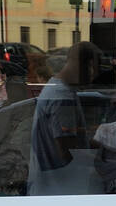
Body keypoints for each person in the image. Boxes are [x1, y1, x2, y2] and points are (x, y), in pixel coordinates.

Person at [29, 41, 99, 195]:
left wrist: (99, 147)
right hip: (60, 191)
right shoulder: (62, 97)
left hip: (52, 189)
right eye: (93, 67)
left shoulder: (55, 88)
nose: (94, 74)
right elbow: (68, 152)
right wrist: (106, 161)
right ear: (81, 64)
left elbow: (70, 141)